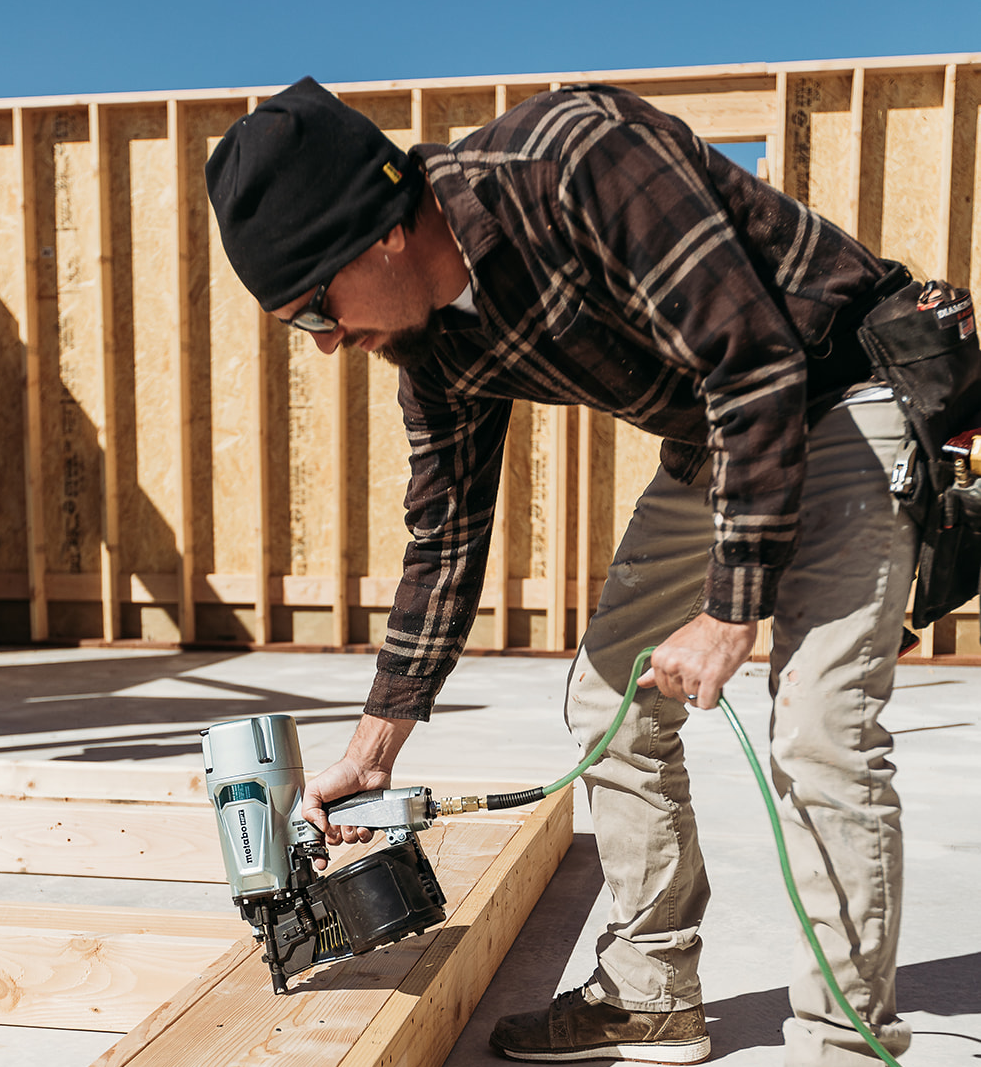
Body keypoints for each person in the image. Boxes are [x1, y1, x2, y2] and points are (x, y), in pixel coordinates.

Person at [206, 76, 922, 1065]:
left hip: (841, 385)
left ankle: (846, 1043)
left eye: (312, 310)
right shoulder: (431, 345)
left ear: (379, 233)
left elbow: (751, 356)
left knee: (816, 728)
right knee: (608, 699)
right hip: (716, 433)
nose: (325, 345)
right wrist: (374, 748)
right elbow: (445, 536)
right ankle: (651, 992)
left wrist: (730, 605)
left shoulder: (572, 161)